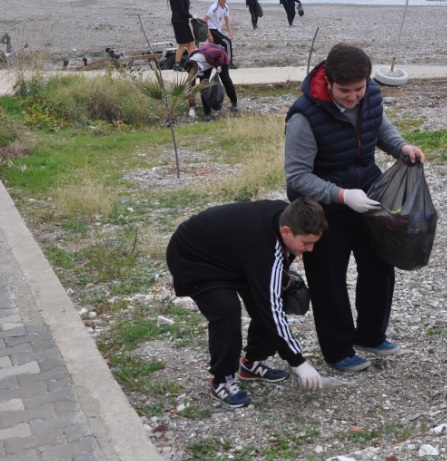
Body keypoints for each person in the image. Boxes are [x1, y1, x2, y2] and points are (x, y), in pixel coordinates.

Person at [284, 43, 426, 372]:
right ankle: (338, 350)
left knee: (380, 265)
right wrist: (342, 195)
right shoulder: (305, 115)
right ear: (329, 82)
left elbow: (380, 129)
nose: (353, 98)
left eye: (359, 89)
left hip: (368, 192)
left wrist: (401, 146)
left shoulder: (371, 95)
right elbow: (297, 176)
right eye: (344, 91)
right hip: (322, 207)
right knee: (329, 278)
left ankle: (371, 335)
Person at [166, 198, 328, 408]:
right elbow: (271, 308)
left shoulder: (287, 217)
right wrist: (298, 361)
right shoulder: (263, 248)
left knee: (273, 294)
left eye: (314, 242)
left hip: (234, 257)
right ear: (286, 232)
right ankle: (221, 380)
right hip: (194, 256)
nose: (311, 249)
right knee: (227, 311)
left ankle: (253, 363)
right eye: (306, 243)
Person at [183, 41, 238, 121]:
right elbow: (191, 89)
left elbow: (220, 53)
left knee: (226, 80)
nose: (196, 76)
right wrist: (191, 108)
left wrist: (219, 65)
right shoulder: (191, 67)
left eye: (196, 73)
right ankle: (207, 113)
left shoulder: (206, 55)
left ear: (197, 67)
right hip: (206, 65)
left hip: (219, 57)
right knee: (203, 87)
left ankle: (234, 102)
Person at [205, 0, 237, 69]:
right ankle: (228, 63)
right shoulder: (214, 7)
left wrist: (230, 31)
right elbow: (205, 20)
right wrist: (209, 34)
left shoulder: (226, 7)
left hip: (218, 30)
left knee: (214, 48)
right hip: (212, 29)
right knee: (227, 42)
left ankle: (213, 64)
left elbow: (227, 20)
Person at [168, 0, 195, 73]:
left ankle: (192, 63)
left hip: (182, 21)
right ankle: (176, 65)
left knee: (190, 42)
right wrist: (192, 16)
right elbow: (182, 11)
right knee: (182, 43)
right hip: (179, 21)